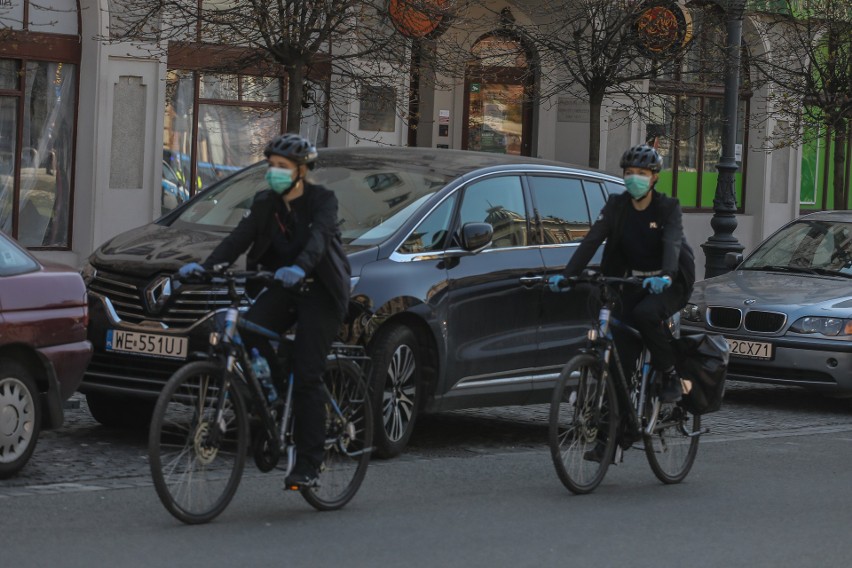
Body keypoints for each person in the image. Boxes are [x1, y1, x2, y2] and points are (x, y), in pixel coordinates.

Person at [178, 133, 351, 487]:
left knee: (307, 375)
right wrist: (207, 267)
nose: (274, 172)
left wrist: (301, 267)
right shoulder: (265, 203)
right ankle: (274, 393)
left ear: (301, 171)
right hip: (281, 285)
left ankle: (309, 463)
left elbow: (319, 239)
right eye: (271, 166)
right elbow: (239, 238)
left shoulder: (323, 200)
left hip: (320, 291)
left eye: (282, 167)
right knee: (246, 328)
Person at [548, 144, 695, 404]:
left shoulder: (667, 207)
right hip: (630, 281)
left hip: (668, 282)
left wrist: (667, 276)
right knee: (620, 353)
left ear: (654, 177)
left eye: (641, 172)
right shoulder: (617, 205)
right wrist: (569, 274)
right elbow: (593, 239)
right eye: (629, 172)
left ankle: (670, 372)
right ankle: (613, 432)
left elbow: (672, 242)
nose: (634, 177)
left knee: (645, 314)